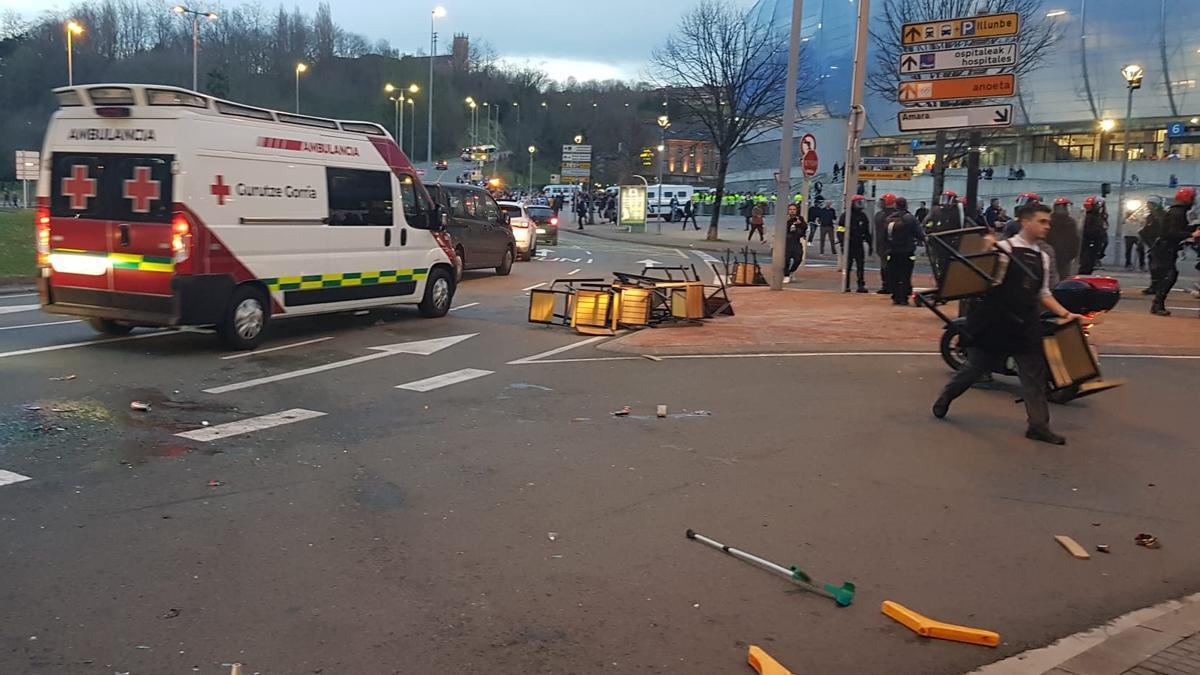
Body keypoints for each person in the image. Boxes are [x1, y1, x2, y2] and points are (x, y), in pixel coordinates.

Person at [932, 203, 1083, 445]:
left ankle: (1038, 426)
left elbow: (1043, 293)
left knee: (1034, 374)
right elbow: (983, 283)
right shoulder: (1003, 249)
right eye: (1042, 221)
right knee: (975, 368)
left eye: (1048, 222)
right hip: (997, 321)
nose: (1047, 226)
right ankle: (946, 397)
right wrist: (987, 254)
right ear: (1025, 222)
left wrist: (1065, 314)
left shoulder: (1042, 257)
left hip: (1026, 323)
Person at [1149, 187, 1197, 316]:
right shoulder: (1178, 212)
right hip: (1165, 248)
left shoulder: (1178, 211)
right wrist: (1192, 233)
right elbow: (1172, 232)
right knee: (1169, 275)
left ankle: (1158, 304)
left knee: (1168, 275)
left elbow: (1177, 229)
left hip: (1166, 248)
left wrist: (1192, 229)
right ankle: (1157, 304)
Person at [884, 197, 923, 305]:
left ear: (895, 206)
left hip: (892, 251)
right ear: (906, 205)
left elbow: (884, 236)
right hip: (907, 251)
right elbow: (919, 233)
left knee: (894, 274)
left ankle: (895, 296)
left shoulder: (889, 219)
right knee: (905, 274)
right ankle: (903, 297)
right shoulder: (910, 218)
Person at [839, 195, 872, 292]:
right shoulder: (846, 215)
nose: (861, 205)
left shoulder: (863, 216)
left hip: (859, 244)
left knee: (860, 265)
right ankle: (846, 284)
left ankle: (860, 285)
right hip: (848, 244)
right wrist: (843, 242)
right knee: (847, 266)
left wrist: (870, 245)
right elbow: (840, 230)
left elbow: (866, 232)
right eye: (859, 203)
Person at [1046, 197, 1081, 282]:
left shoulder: (1049, 220)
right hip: (1064, 256)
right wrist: (1072, 254)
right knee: (1063, 278)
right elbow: (1075, 240)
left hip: (1052, 254)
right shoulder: (1070, 222)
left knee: (1049, 277)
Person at [1140, 196, 1168, 296]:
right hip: (1153, 245)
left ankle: (1158, 286)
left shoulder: (1161, 216)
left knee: (1158, 267)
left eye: (1151, 204)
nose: (1148, 206)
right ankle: (1155, 285)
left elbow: (1160, 230)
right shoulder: (1151, 216)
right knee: (1154, 266)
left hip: (1159, 245)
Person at [873, 193, 897, 295]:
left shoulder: (885, 215)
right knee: (885, 267)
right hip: (882, 245)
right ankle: (886, 285)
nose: (881, 203)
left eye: (883, 201)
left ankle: (889, 285)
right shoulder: (880, 215)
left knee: (890, 267)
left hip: (890, 245)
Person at [1078, 196, 1106, 274]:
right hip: (1091, 240)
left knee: (1087, 259)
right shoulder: (1094, 216)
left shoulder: (1086, 215)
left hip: (1089, 240)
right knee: (1088, 259)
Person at [783, 203, 806, 282]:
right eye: (790, 209)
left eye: (794, 209)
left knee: (798, 259)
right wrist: (787, 221)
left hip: (796, 242)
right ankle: (786, 275)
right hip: (786, 242)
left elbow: (805, 228)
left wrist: (800, 224)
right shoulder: (785, 218)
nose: (792, 211)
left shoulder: (800, 218)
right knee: (786, 259)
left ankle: (792, 271)